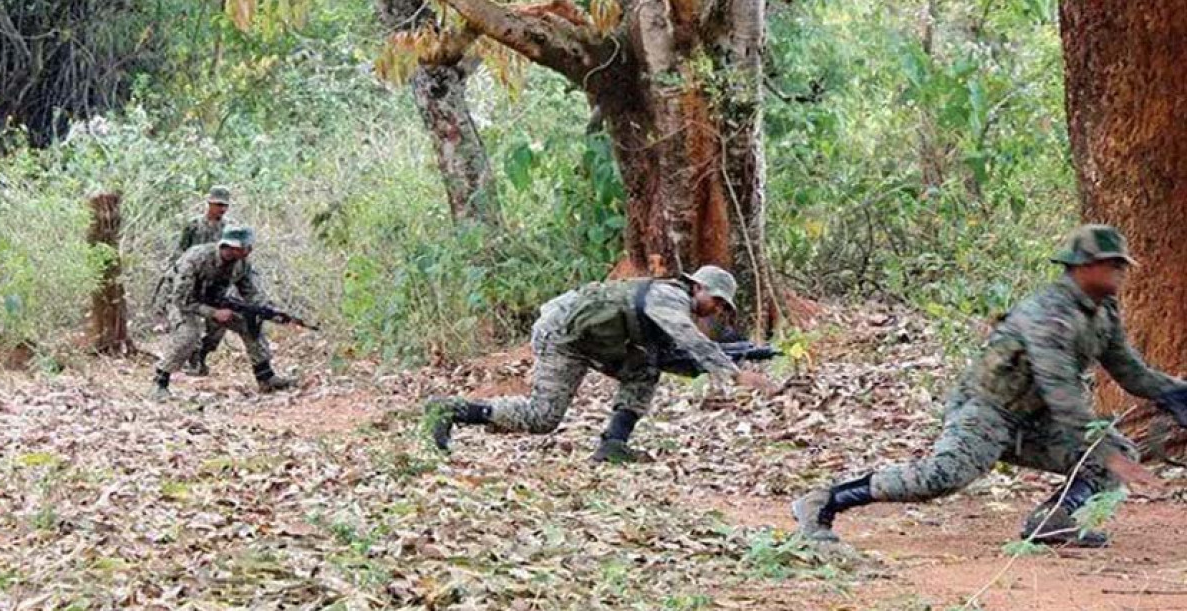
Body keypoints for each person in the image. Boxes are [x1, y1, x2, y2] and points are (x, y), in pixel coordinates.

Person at [793, 225, 1187, 547]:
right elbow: (1061, 392)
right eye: (1113, 264)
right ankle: (824, 501)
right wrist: (1103, 452)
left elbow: (1129, 370)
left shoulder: (1102, 311)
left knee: (1118, 451)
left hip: (1035, 419)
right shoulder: (1049, 315)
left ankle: (1054, 519)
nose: (1121, 272)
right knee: (939, 478)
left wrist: (1175, 392)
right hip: (988, 410)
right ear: (1084, 266)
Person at [426, 265, 773, 462]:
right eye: (717, 300)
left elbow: (674, 358)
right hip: (561, 336)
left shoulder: (671, 302)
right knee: (542, 417)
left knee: (645, 369)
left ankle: (613, 445)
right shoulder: (669, 296)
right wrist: (734, 373)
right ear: (697, 287)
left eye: (723, 307)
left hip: (592, 342)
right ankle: (452, 410)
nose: (717, 309)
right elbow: (688, 338)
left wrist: (730, 358)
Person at [151, 225, 297, 399]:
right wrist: (213, 313)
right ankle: (160, 382)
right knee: (189, 335)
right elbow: (182, 300)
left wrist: (270, 311)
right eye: (246, 247)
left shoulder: (241, 264)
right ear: (232, 247)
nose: (250, 250)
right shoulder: (196, 259)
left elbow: (251, 294)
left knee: (249, 324)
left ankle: (266, 377)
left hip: (213, 301)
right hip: (179, 300)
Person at [155, 185, 232, 375]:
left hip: (215, 283)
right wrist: (171, 278)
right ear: (209, 203)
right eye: (218, 204)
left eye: (225, 205)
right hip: (190, 279)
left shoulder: (229, 229)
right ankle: (192, 359)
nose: (222, 209)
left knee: (218, 325)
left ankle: (202, 356)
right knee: (191, 323)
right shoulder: (194, 226)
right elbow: (180, 252)